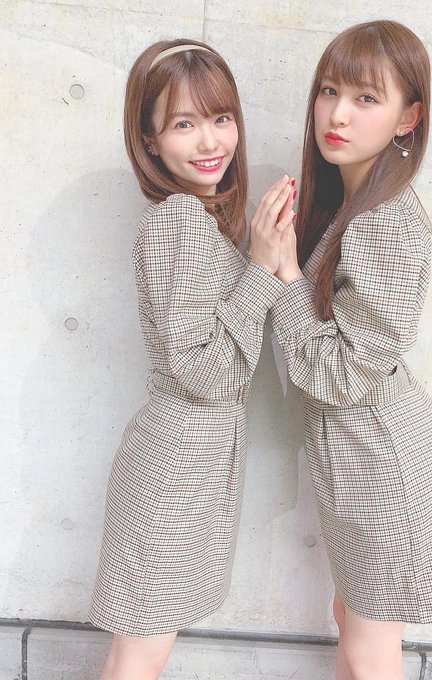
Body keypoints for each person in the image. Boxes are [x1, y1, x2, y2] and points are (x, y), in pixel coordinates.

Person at [267, 20, 432, 680]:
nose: (337, 115)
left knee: (368, 648)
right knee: (351, 624)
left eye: (366, 98)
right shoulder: (352, 205)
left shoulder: (382, 220)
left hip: (384, 464)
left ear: (409, 118)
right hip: (365, 456)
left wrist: (286, 274)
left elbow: (347, 374)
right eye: (329, 91)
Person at [89, 39, 294, 680]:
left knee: (138, 646)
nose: (210, 141)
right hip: (176, 465)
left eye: (221, 118)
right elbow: (203, 372)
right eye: (183, 124)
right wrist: (260, 268)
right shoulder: (178, 219)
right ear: (149, 140)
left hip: (190, 461)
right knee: (141, 653)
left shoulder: (200, 222)